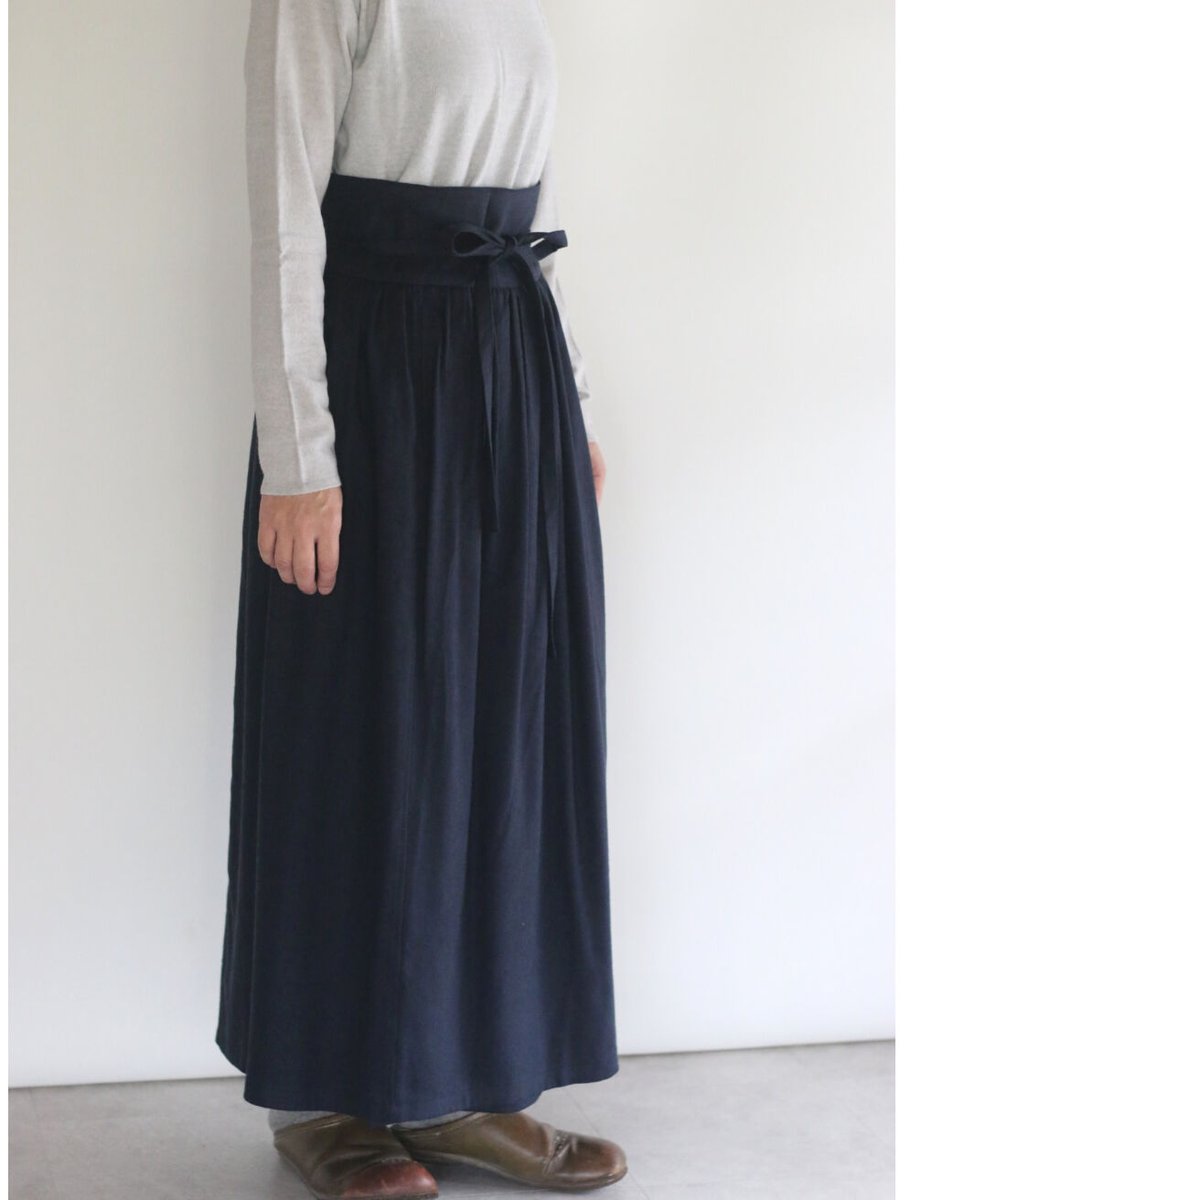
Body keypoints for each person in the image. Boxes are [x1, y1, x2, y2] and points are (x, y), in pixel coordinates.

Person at [213, 2, 625, 1197]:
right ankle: (328, 1098)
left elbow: (527, 219)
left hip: (508, 368)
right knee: (364, 730)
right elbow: (285, 220)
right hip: (379, 378)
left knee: (501, 736)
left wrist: (570, 402)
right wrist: (299, 457)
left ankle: (464, 1084)